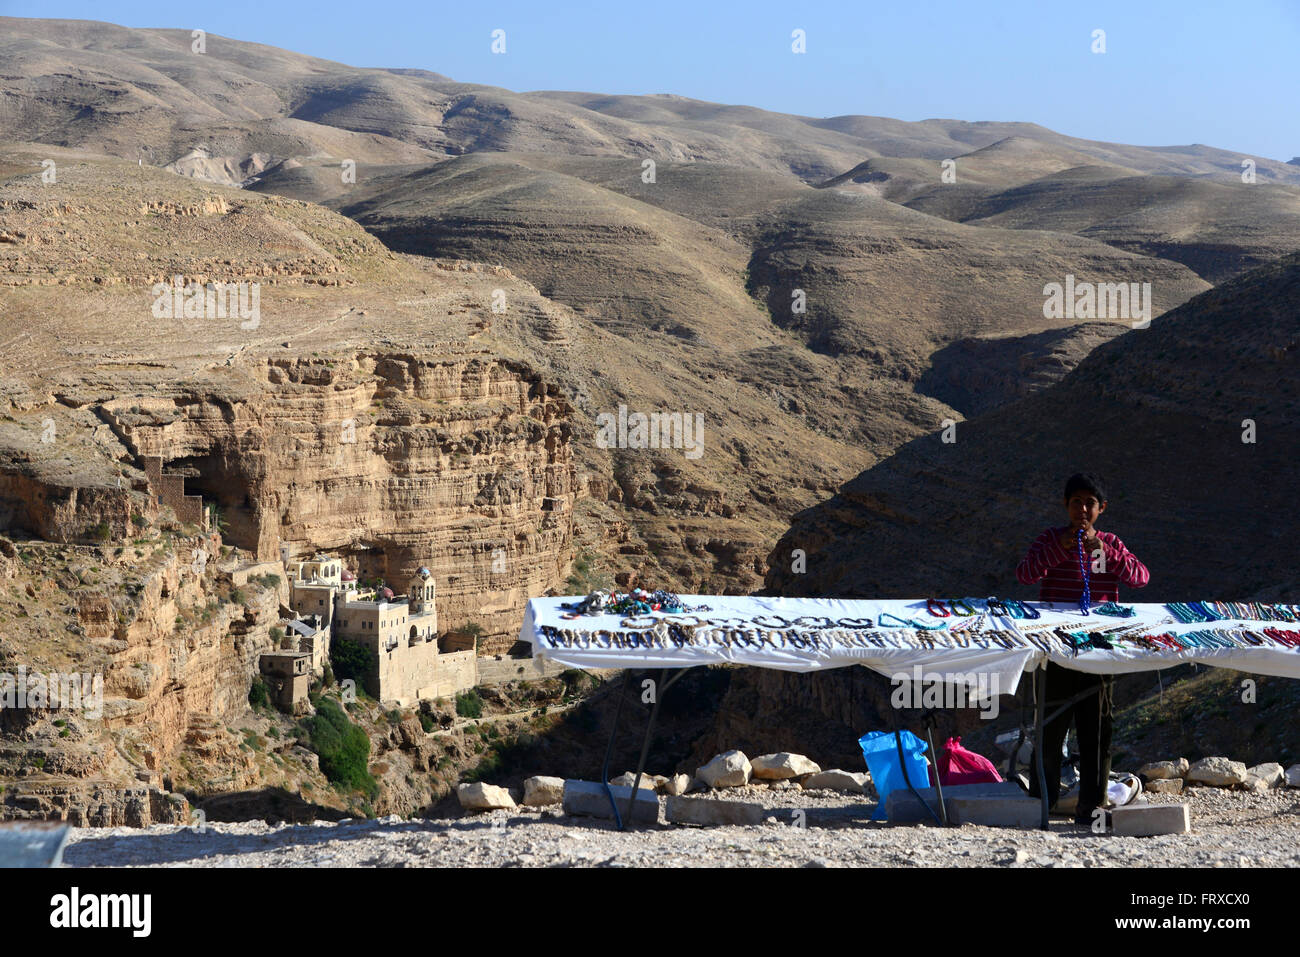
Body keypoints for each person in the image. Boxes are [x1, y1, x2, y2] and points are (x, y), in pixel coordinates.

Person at [1015, 472, 1150, 825]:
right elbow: (1026, 574)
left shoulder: (1109, 543)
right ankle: (1040, 806)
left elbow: (1139, 577)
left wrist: (1105, 553)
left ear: (1101, 509)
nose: (1083, 509)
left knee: (1097, 730)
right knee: (1050, 728)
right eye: (1076, 502)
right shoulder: (1050, 539)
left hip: (1098, 649)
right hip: (1056, 646)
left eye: (1090, 503)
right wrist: (1059, 547)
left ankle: (1091, 809)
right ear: (1066, 505)